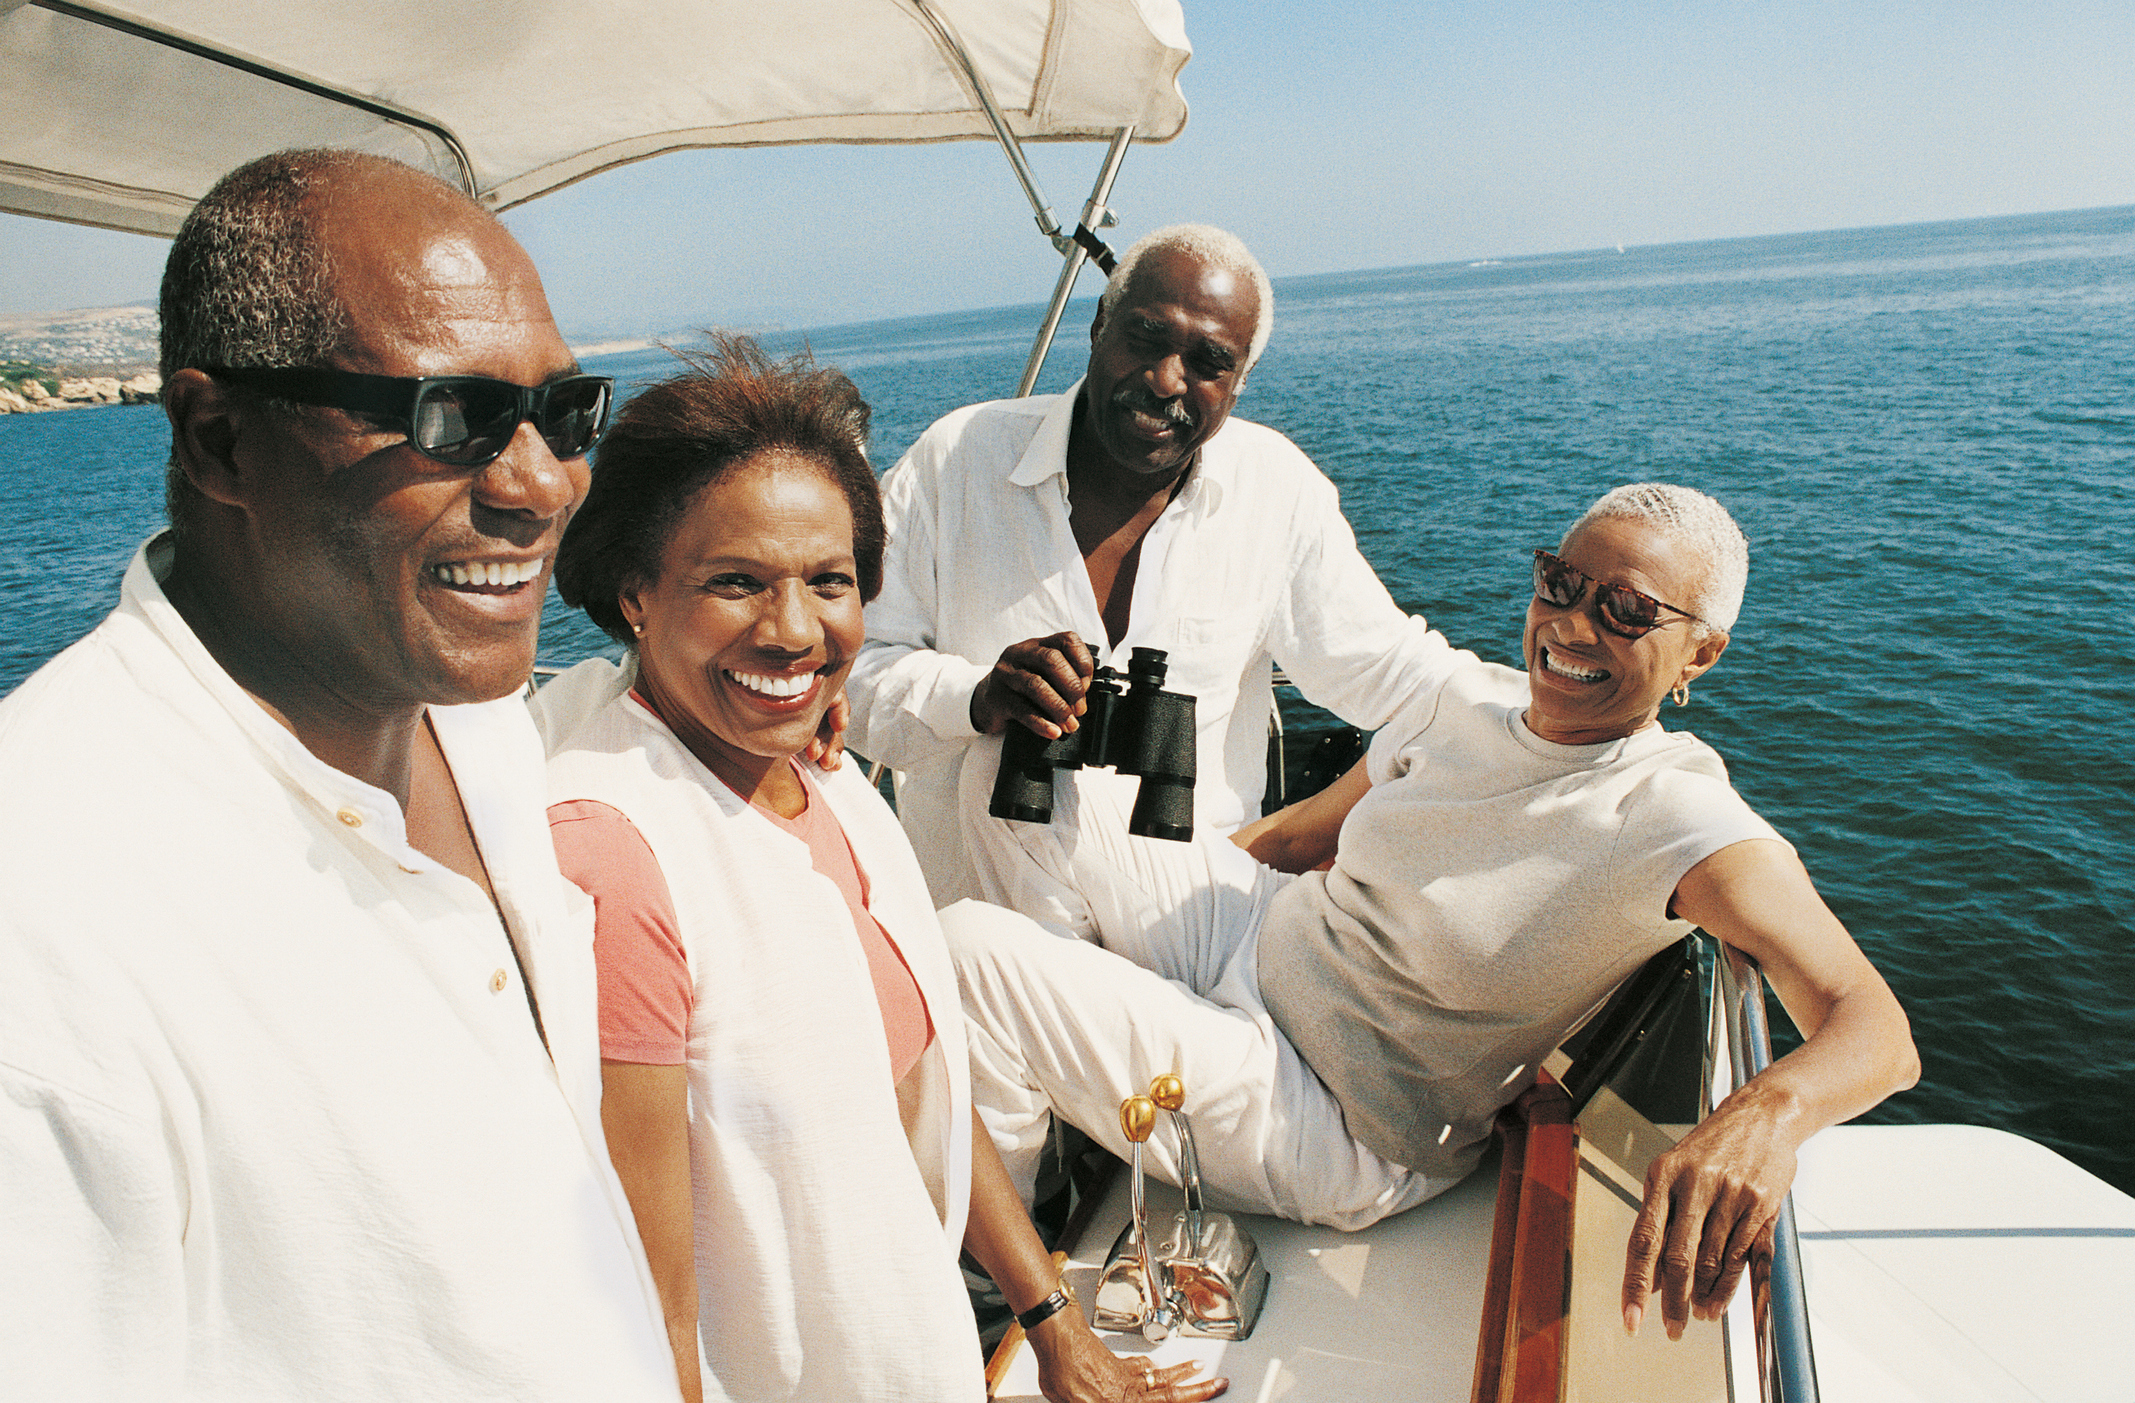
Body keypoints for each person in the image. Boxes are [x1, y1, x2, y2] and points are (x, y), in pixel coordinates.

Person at [0, 150, 680, 1399]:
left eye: (563, 411)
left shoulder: (470, 720)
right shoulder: (43, 914)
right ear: (220, 441)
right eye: (452, 415)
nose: (541, 485)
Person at [950, 483, 1920, 1342]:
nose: (1573, 625)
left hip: (1332, 1110)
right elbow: (1291, 841)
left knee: (968, 952)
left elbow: (1870, 1024)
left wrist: (1765, 1116)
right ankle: (1034, 1100)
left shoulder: (1670, 813)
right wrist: (1138, 930)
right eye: (1560, 581)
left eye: (1626, 610)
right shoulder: (1464, 704)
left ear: (1698, 653)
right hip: (1259, 937)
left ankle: (1004, 1270)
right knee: (1031, 774)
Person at [534, 337, 1226, 1403]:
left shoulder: (830, 785)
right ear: (635, 591)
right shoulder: (617, 858)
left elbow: (911, 1086)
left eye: (830, 581)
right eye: (734, 583)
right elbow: (646, 1298)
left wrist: (1054, 1328)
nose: (793, 631)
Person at [845, 224, 1450, 913]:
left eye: (1208, 361)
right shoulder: (955, 459)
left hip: (1189, 937)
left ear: (1239, 380)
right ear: (1099, 325)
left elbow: (1399, 679)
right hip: (979, 933)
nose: (1166, 379)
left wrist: (1562, 725)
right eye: (1144, 337)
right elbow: (847, 675)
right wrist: (979, 698)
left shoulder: (1275, 488)